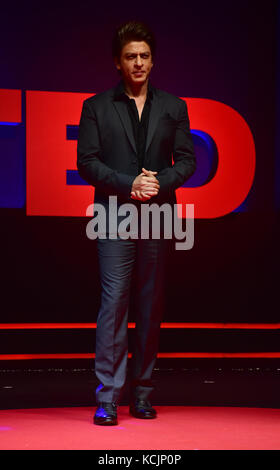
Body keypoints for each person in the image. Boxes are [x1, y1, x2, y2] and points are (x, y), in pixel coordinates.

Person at [77, 20, 196, 425]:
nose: (139, 62)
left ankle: (142, 394)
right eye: (131, 56)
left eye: (144, 56)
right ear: (118, 62)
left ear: (152, 60)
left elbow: (188, 161)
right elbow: (87, 163)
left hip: (158, 215)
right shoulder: (95, 106)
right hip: (113, 213)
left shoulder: (174, 106)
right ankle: (108, 397)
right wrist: (131, 184)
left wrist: (157, 183)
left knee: (149, 305)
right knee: (114, 303)